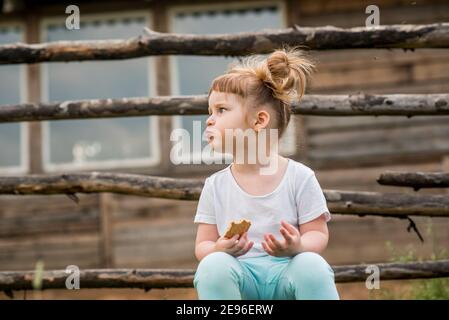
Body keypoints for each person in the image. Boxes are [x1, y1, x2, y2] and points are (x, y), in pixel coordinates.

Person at [193, 47, 339, 300]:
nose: (209, 120)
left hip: (287, 278)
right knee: (212, 266)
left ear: (259, 121)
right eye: (210, 112)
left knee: (311, 266)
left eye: (221, 110)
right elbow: (202, 245)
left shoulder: (300, 177)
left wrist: (299, 246)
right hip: (241, 281)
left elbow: (317, 233)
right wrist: (219, 248)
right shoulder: (215, 185)